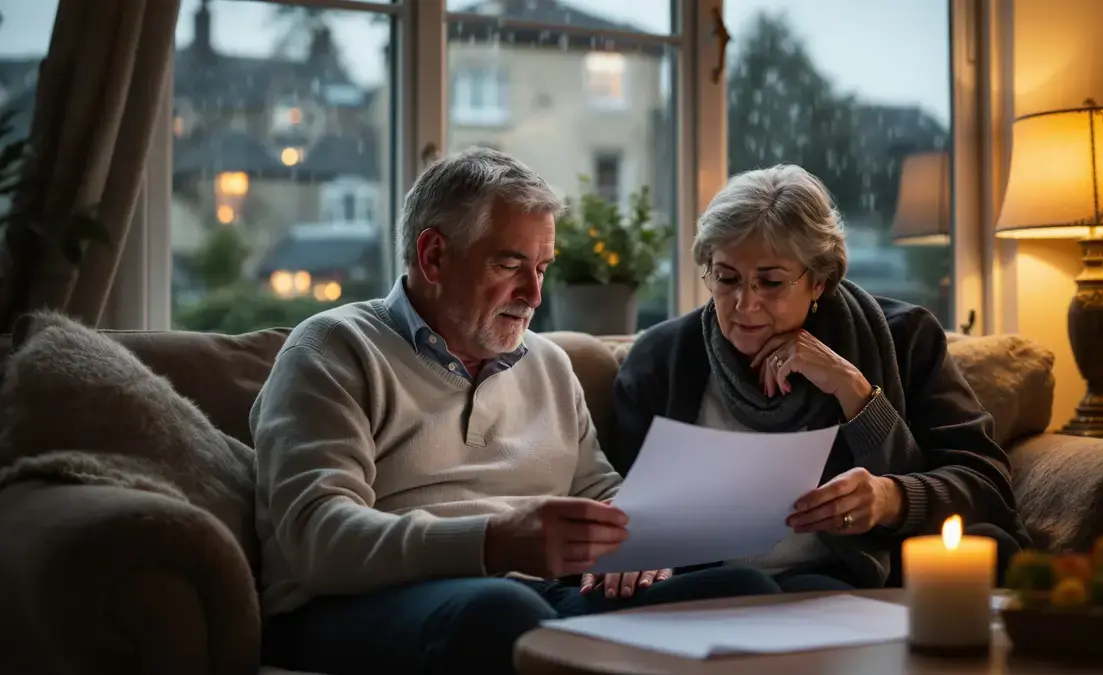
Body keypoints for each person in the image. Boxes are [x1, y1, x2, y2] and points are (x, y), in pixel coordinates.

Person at [252, 148, 781, 675]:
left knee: (744, 592)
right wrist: (493, 540)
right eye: (509, 265)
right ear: (434, 256)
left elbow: (599, 491)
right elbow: (317, 539)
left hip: (537, 599)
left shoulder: (549, 363)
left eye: (542, 268)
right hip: (359, 606)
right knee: (502, 613)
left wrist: (640, 542)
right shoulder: (333, 349)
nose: (533, 293)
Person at [611, 164, 1031, 594]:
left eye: (770, 282)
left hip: (853, 578)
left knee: (992, 551)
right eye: (726, 278)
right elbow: (625, 503)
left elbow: (988, 489)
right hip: (709, 586)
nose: (744, 304)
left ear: (819, 280)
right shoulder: (660, 361)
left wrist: (860, 404)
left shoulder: (906, 339)